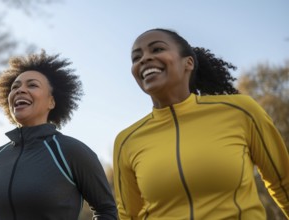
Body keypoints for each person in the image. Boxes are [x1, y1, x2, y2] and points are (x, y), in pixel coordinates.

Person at [113, 28, 289, 219]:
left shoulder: (241, 111)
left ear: (188, 63)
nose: (144, 59)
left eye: (156, 49)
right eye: (136, 58)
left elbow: (284, 184)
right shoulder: (127, 141)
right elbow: (128, 215)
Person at [0, 50, 117, 220]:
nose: (20, 90)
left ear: (52, 101)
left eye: (32, 85)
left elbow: (106, 211)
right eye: (15, 87)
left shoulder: (71, 151)